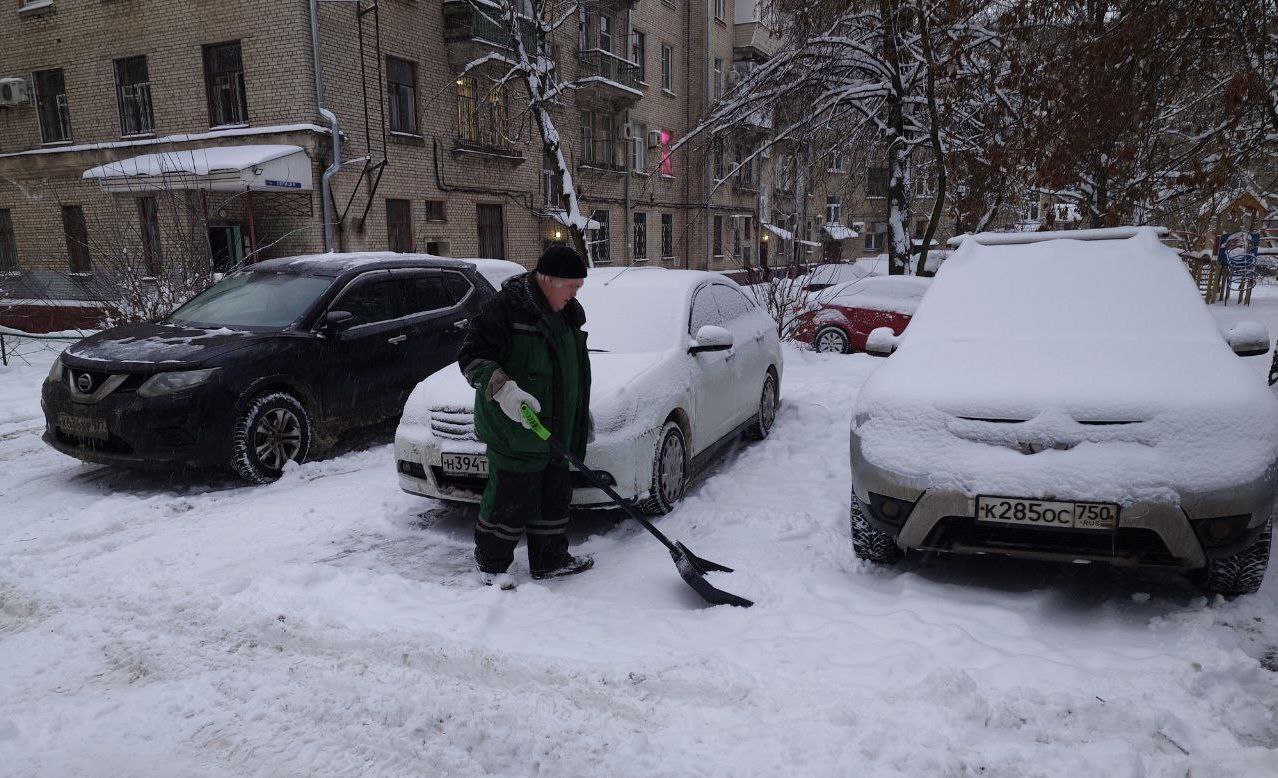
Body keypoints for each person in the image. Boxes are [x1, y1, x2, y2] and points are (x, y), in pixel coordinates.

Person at [457, 245, 595, 585]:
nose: (575, 293)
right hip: (514, 429)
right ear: (548, 279)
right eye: (572, 286)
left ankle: (550, 560)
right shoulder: (504, 309)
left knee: (554, 495)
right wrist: (502, 388)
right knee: (509, 499)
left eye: (579, 287)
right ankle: (491, 567)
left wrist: (578, 411)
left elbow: (569, 369)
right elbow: (472, 356)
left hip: (555, 428)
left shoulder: (568, 313)